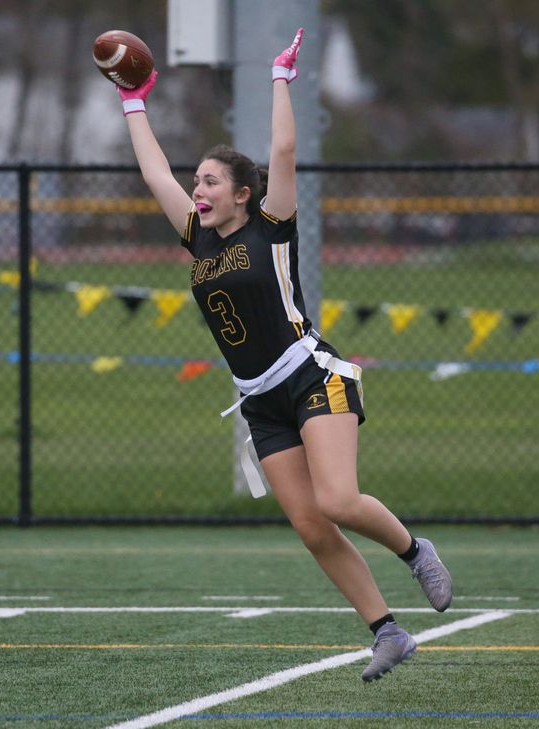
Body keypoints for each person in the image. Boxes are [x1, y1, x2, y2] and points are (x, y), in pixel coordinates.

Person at [115, 29, 453, 681]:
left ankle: (416, 552)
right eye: (196, 181)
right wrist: (134, 100)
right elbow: (154, 172)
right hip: (259, 400)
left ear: (243, 192)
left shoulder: (271, 226)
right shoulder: (198, 237)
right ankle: (388, 631)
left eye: (211, 181)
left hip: (310, 375)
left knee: (338, 500)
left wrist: (278, 78)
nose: (197, 188)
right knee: (311, 525)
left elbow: (284, 150)